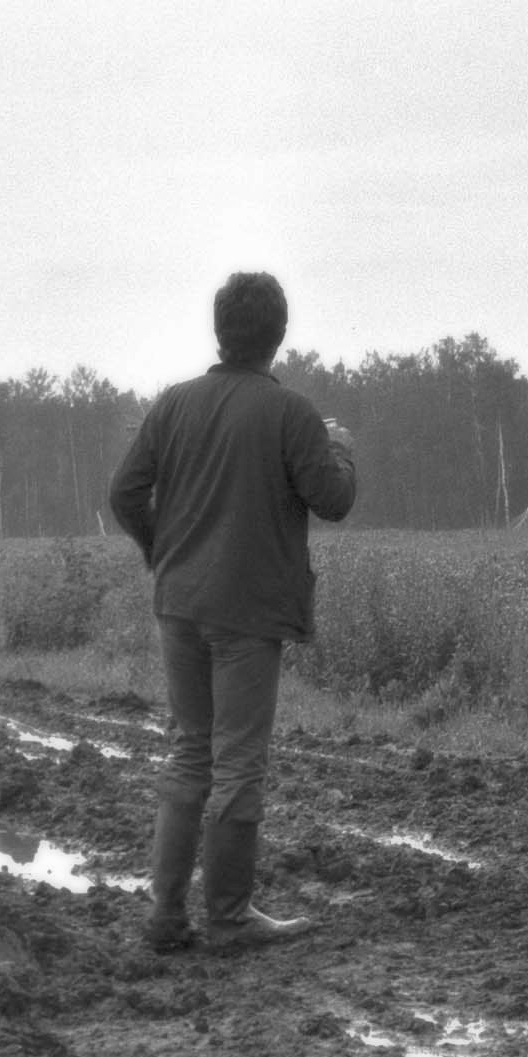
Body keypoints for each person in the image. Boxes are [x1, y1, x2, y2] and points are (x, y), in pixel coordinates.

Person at [108, 271, 356, 952]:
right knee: (238, 761)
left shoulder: (170, 406)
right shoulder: (291, 414)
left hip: (178, 605)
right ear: (277, 335)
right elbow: (331, 500)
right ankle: (227, 917)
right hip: (247, 612)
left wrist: (164, 554)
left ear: (219, 331)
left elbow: (124, 493)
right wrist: (337, 450)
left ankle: (164, 916)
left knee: (191, 752)